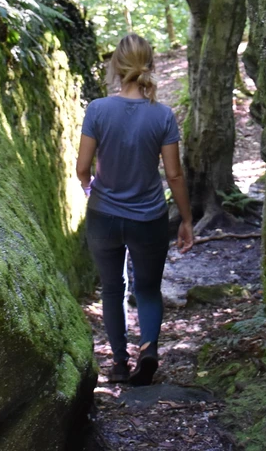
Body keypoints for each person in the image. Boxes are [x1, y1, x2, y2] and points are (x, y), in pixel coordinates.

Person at [77, 33, 194, 385]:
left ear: (116, 65)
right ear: (150, 65)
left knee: (112, 288)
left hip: (104, 216)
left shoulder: (97, 110)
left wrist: (91, 190)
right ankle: (148, 350)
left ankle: (117, 363)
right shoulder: (162, 115)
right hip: (149, 218)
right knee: (147, 288)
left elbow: (82, 168)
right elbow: (173, 174)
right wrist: (186, 219)